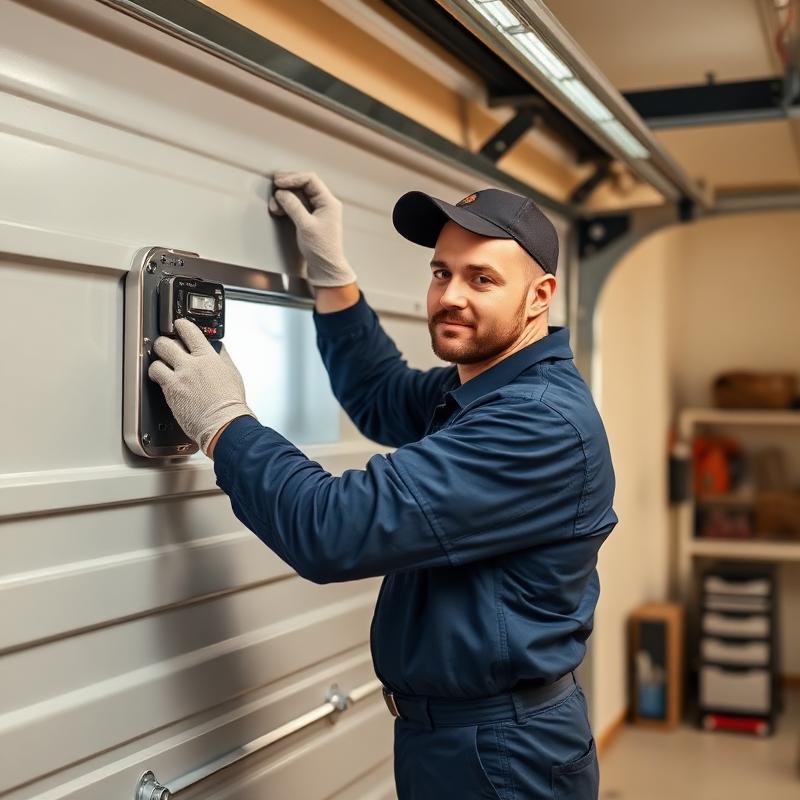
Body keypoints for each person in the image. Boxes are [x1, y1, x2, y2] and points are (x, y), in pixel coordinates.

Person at [149, 171, 618, 799]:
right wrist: (330, 272)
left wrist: (222, 424)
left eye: (483, 279)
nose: (451, 295)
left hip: (503, 757)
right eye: (441, 272)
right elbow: (380, 394)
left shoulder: (536, 422)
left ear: (540, 296)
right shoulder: (483, 388)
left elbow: (334, 530)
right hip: (456, 740)